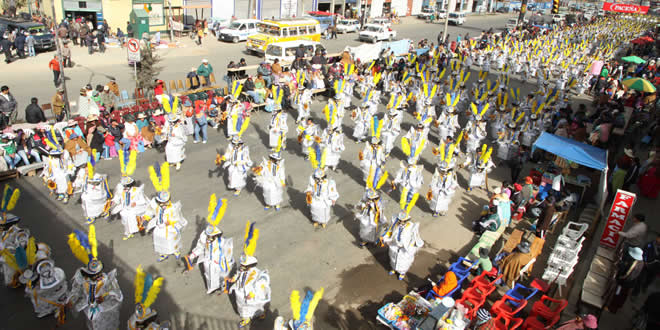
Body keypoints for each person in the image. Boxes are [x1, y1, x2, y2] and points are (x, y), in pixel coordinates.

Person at [67, 226, 123, 330]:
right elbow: (76, 291)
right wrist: (73, 300)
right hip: (90, 311)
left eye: (97, 274)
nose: (96, 277)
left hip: (106, 313)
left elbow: (118, 297)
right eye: (92, 275)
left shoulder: (109, 280)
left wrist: (102, 304)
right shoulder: (82, 279)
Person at [184, 196, 234, 295]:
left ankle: (224, 286)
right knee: (209, 275)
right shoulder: (204, 237)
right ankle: (212, 288)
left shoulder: (222, 242)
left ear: (216, 235)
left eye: (211, 236)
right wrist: (192, 255)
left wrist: (225, 261)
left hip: (218, 262)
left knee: (222, 275)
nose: (209, 238)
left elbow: (227, 252)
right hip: (207, 260)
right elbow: (200, 246)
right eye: (208, 236)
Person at [229, 221, 271, 328]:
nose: (241, 267)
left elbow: (261, 285)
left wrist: (252, 294)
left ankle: (260, 314)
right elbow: (238, 274)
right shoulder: (242, 270)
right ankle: (245, 319)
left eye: (244, 266)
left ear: (250, 266)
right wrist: (234, 278)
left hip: (251, 295)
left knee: (256, 306)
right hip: (240, 292)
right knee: (242, 307)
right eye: (241, 266)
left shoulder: (257, 273)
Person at [145, 188, 188, 262]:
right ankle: (164, 253)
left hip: (170, 227)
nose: (163, 204)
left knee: (172, 239)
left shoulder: (173, 208)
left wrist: (170, 222)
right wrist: (146, 218)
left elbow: (177, 217)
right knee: (160, 240)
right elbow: (150, 211)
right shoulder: (156, 206)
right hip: (159, 227)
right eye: (161, 202)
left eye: (165, 202)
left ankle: (175, 251)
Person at [383, 208, 424, 280]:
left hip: (405, 248)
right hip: (395, 245)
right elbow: (390, 231)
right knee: (393, 257)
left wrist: (410, 247)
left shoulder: (412, 227)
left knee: (404, 261)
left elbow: (414, 238)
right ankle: (394, 268)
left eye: (403, 221)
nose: (401, 222)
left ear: (407, 220)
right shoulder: (395, 224)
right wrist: (386, 238)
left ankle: (402, 272)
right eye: (400, 220)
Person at [608, 246, 645, 312]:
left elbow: (625, 273)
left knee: (617, 294)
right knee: (624, 295)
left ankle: (612, 307)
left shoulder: (632, 263)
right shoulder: (641, 263)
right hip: (631, 283)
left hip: (623, 283)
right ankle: (619, 305)